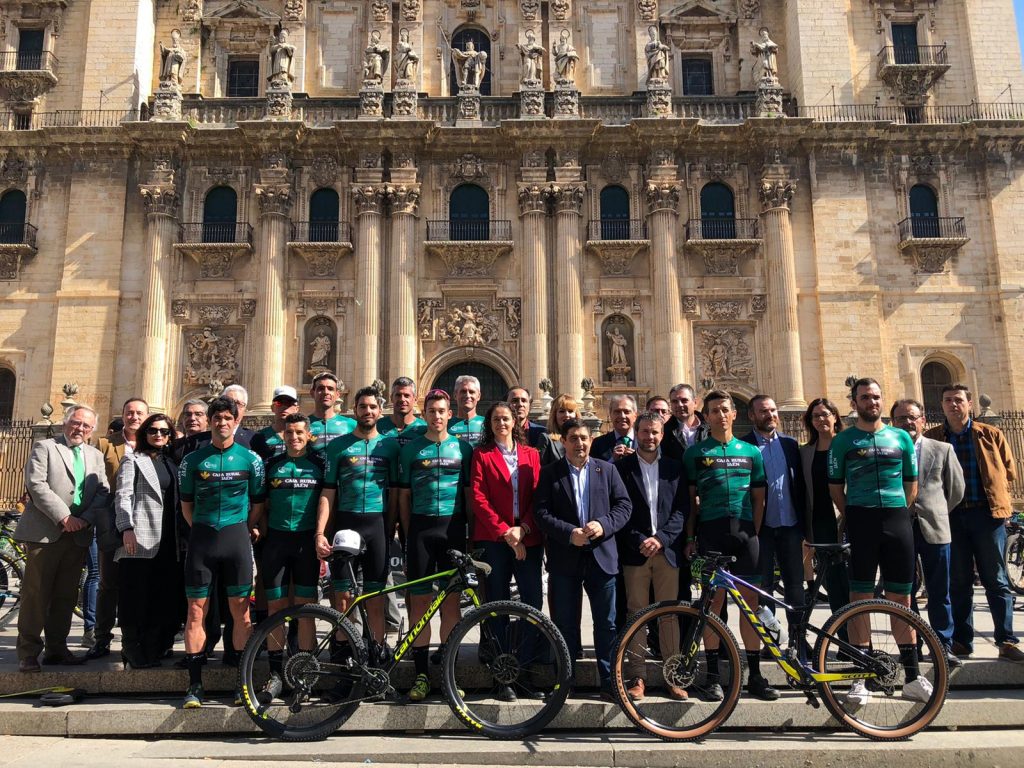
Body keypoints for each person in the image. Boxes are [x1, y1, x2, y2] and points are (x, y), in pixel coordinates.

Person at [828, 377, 925, 704]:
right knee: (860, 598)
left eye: (876, 396)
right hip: (861, 519)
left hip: (897, 520)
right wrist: (855, 514)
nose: (872, 402)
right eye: (865, 397)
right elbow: (835, 487)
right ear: (854, 402)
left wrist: (896, 511)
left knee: (902, 599)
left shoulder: (901, 437)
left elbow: (911, 484)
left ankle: (913, 677)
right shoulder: (843, 441)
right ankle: (861, 679)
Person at [682, 390, 777, 702]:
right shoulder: (695, 454)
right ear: (706, 417)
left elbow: (759, 499)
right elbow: (691, 503)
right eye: (714, 411)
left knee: (751, 605)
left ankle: (755, 674)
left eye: (725, 409)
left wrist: (753, 532)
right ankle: (712, 676)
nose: (720, 415)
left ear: (735, 414)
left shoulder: (751, 452)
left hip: (745, 534)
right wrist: (691, 538)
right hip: (711, 534)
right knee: (712, 605)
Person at [924, 384, 1024, 663]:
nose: (953, 404)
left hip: (987, 515)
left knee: (997, 579)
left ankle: (1006, 640)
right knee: (958, 581)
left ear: (970, 404)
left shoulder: (990, 434)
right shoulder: (933, 437)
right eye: (947, 400)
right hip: (950, 516)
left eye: (958, 400)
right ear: (942, 405)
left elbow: (1009, 470)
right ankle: (961, 641)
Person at [534, 418, 632, 701]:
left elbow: (624, 506)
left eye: (584, 438)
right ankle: (565, 682)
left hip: (602, 557)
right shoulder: (550, 473)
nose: (580, 443)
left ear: (591, 441)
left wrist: (604, 524)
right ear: (563, 442)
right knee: (564, 623)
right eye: (574, 438)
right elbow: (541, 512)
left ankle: (609, 682)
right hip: (565, 558)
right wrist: (568, 533)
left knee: (607, 623)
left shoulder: (607, 470)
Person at [177, 397, 265, 709]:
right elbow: (186, 505)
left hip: (235, 538)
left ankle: (242, 683)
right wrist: (203, 530)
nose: (223, 423)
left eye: (228, 417)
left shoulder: (251, 460)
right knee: (195, 611)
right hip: (202, 540)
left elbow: (258, 504)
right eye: (218, 418)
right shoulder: (193, 460)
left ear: (236, 421)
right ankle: (195, 685)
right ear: (210, 421)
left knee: (241, 612)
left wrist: (241, 529)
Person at [16, 405, 109, 672]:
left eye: (86, 425)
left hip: (78, 534)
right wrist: (64, 517)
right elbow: (36, 485)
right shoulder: (45, 447)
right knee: (36, 594)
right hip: (46, 533)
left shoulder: (95, 455)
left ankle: (57, 648)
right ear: (66, 422)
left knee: (65, 595)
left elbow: (102, 491)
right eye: (76, 422)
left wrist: (85, 519)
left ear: (92, 430)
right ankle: (28, 652)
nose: (80, 428)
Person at [397, 389, 474, 701]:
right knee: (419, 604)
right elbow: (403, 496)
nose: (437, 415)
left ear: (449, 414)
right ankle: (421, 675)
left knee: (451, 604)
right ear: (424, 413)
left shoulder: (463, 449)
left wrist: (470, 534)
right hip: (421, 529)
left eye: (442, 411)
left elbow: (468, 495)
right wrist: (407, 532)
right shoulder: (411, 450)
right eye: (432, 411)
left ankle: (448, 674)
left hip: (453, 529)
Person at [470, 401, 543, 702]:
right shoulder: (481, 455)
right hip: (494, 539)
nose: (501, 423)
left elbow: (539, 496)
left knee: (533, 603)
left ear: (515, 422)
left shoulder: (532, 455)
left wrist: (522, 530)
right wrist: (506, 533)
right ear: (490, 425)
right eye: (496, 419)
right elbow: (478, 498)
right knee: (496, 604)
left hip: (527, 537)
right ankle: (502, 675)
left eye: (506, 419)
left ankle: (524, 669)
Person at [614, 411, 688, 702]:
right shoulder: (621, 468)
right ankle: (637, 677)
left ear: (662, 435)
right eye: (644, 431)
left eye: (655, 432)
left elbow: (681, 510)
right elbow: (619, 510)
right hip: (636, 551)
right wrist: (640, 540)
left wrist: (662, 539)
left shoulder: (674, 468)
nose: (650, 437)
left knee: (669, 614)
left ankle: (673, 676)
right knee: (637, 614)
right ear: (636, 433)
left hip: (666, 550)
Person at [317, 387, 400, 645]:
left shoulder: (389, 446)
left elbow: (396, 493)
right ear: (354, 410)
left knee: (375, 598)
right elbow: (328, 492)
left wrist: (391, 527)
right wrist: (320, 532)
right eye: (363, 406)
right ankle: (345, 653)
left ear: (380, 411)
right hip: (346, 523)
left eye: (373, 407)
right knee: (343, 598)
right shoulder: (338, 446)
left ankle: (376, 653)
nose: (368, 411)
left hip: (377, 525)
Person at [891, 398, 965, 668]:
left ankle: (943, 645)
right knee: (904, 592)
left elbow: (955, 490)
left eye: (912, 417)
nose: (907, 422)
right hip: (899, 528)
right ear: (893, 423)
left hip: (934, 528)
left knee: (939, 590)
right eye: (901, 418)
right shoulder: (889, 450)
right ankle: (912, 647)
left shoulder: (943, 449)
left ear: (923, 420)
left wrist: (936, 511)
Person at [259, 414, 325, 698]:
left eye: (299, 432)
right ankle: (275, 674)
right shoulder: (271, 464)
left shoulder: (319, 464)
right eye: (289, 433)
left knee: (305, 609)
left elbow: (327, 502)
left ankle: (305, 675)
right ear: (283, 435)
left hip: (305, 543)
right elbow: (260, 504)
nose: (294, 437)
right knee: (275, 609)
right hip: (276, 541)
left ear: (308, 435)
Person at [113, 412, 183, 668]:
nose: (158, 435)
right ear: (144, 434)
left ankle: (152, 647)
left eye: (164, 431)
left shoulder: (172, 463)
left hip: (169, 539)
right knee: (135, 594)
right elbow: (123, 495)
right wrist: (126, 528)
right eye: (153, 430)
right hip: (140, 535)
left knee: (160, 594)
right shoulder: (133, 460)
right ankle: (131, 646)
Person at [740, 395, 808, 653]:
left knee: (795, 586)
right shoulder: (744, 446)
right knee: (764, 587)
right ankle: (772, 641)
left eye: (772, 410)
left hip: (790, 524)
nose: (770, 415)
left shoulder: (791, 444)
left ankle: (799, 640)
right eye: (763, 411)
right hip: (761, 529)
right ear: (751, 415)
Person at [88, 397, 150, 660]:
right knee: (108, 582)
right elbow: (95, 482)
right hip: (113, 521)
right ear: (123, 415)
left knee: (138, 583)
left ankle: (134, 639)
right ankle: (101, 637)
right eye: (129, 412)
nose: (134, 417)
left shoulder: (154, 443)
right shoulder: (105, 444)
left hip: (146, 522)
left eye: (139, 413)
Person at [798, 398, 850, 622]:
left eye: (825, 414)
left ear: (835, 416)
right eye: (815, 416)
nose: (821, 419)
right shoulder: (805, 452)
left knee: (851, 578)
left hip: (846, 519)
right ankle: (842, 630)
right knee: (831, 579)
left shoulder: (847, 445)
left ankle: (859, 633)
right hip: (819, 521)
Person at [308, 373, 356, 452]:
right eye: (321, 388)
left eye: (330, 389)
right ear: (312, 393)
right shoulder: (303, 425)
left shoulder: (352, 425)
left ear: (337, 394)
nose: (326, 392)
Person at [251, 386, 300, 460]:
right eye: (279, 403)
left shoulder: (303, 436)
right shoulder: (259, 436)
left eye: (289, 403)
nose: (284, 407)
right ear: (272, 408)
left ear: (296, 409)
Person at [378, 376, 427, 449]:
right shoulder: (378, 426)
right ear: (391, 398)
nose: (402, 399)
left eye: (407, 396)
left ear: (415, 399)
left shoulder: (425, 429)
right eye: (398, 395)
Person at [536, 393, 580, 466]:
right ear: (554, 414)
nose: (566, 415)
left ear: (576, 414)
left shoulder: (583, 439)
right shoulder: (546, 439)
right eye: (562, 411)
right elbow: (542, 469)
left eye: (570, 411)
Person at [591, 394, 638, 462]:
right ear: (610, 415)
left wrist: (638, 461)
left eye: (626, 412)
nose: (622, 416)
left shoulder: (645, 441)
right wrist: (612, 460)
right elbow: (594, 468)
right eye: (617, 412)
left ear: (635, 416)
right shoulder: (598, 444)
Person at [449, 374, 485, 448]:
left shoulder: (488, 423)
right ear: (455, 395)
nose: (468, 395)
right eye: (463, 391)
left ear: (478, 396)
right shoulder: (446, 425)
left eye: (471, 392)